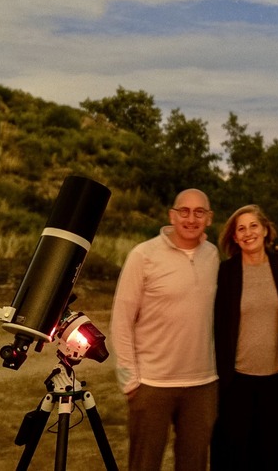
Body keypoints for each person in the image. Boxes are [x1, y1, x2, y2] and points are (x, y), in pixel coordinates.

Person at [110, 189, 220, 471]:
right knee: (144, 465)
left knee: (194, 464)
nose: (191, 218)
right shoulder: (143, 255)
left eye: (199, 212)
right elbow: (122, 320)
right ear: (172, 215)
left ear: (209, 219)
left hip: (202, 385)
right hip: (152, 384)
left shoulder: (212, 256)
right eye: (184, 211)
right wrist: (129, 379)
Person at [212, 204, 278, 470]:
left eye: (253, 226)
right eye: (241, 229)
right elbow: (217, 325)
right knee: (235, 456)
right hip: (236, 381)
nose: (248, 233)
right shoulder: (226, 273)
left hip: (275, 380)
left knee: (269, 456)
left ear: (266, 230)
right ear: (234, 237)